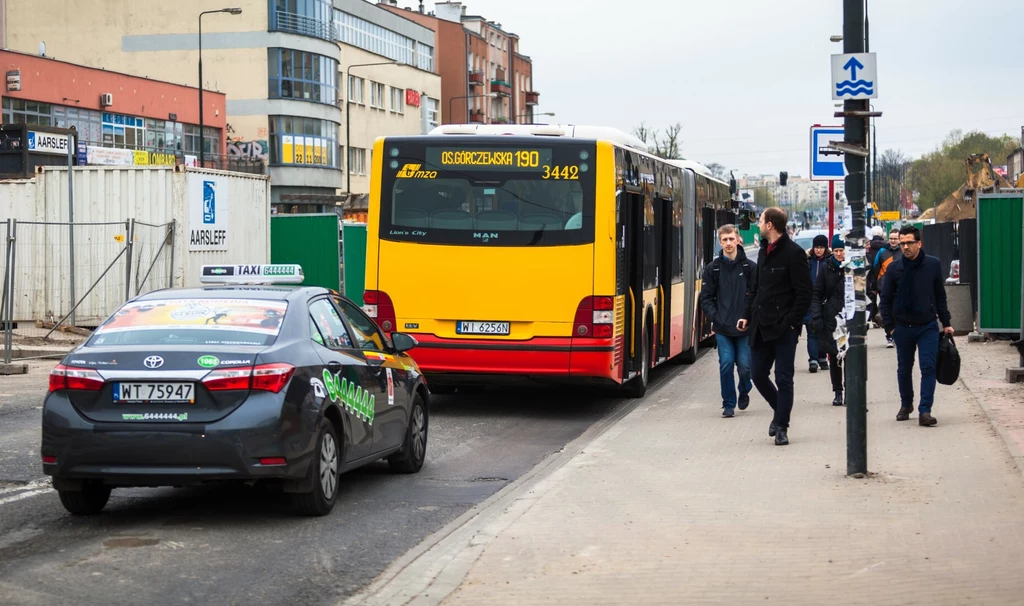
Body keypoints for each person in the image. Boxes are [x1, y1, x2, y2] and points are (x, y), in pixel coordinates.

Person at [749, 207, 813, 446]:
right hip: (760, 326)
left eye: (761, 220)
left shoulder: (794, 253)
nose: (758, 224)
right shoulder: (763, 251)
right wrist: (748, 314)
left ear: (771, 225)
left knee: (784, 378)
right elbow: (756, 289)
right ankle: (780, 412)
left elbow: (805, 293)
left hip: (784, 329)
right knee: (757, 374)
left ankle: (782, 427)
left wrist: (792, 323)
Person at [879, 225, 954, 427]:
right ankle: (906, 404)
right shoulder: (894, 268)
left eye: (909, 243)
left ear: (919, 243)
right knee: (904, 369)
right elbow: (884, 301)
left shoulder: (932, 265)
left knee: (928, 367)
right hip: (902, 327)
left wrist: (946, 323)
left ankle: (925, 410)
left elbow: (940, 296)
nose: (905, 247)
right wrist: (890, 328)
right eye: (902, 243)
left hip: (927, 326)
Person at [700, 224, 757, 418]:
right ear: (719, 242)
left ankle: (745, 387)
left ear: (738, 239)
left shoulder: (750, 267)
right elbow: (705, 297)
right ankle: (728, 404)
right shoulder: (713, 268)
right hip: (723, 327)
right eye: (724, 240)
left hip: (745, 328)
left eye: (731, 239)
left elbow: (757, 296)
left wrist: (749, 318)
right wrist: (715, 318)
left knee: (745, 366)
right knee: (725, 363)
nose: (728, 243)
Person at [811, 234, 848, 406]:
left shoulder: (853, 267)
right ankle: (838, 391)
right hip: (831, 319)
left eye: (842, 250)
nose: (840, 254)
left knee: (850, 357)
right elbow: (817, 294)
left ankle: (850, 389)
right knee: (834, 357)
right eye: (837, 250)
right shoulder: (826, 268)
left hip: (850, 319)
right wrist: (817, 316)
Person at [803, 234, 831, 373]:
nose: (818, 250)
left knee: (823, 331)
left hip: (825, 302)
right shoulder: (807, 261)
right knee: (812, 330)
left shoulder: (829, 261)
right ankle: (813, 359)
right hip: (810, 302)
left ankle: (822, 357)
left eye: (821, 247)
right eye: (816, 247)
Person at [872, 229, 901, 347]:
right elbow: (875, 269)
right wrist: (874, 286)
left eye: (895, 238)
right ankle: (889, 336)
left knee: (898, 311)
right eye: (891, 238)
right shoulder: (882, 252)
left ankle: (897, 334)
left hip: (900, 287)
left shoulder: (903, 252)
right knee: (887, 312)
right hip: (884, 287)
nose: (893, 241)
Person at [865, 226, 887, 327]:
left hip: (871, 277)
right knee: (885, 300)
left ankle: (873, 318)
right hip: (883, 278)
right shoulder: (886, 247)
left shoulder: (869, 248)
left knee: (871, 299)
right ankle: (883, 318)